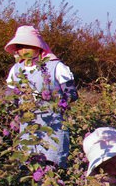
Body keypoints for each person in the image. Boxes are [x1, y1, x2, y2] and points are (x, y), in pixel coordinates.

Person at [5, 25, 78, 167]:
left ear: (38, 47)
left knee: (50, 163)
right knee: (28, 164)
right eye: (20, 46)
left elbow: (71, 94)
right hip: (28, 126)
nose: (23, 50)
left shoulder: (55, 67)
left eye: (28, 46)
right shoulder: (16, 69)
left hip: (53, 125)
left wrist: (54, 101)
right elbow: (10, 96)